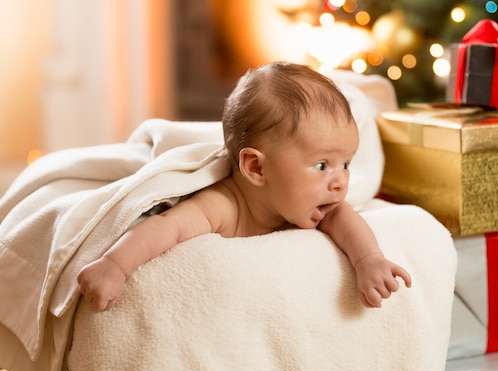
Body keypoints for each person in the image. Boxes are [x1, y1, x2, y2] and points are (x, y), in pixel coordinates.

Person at [77, 61, 412, 312]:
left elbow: (347, 222)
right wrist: (115, 266)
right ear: (255, 167)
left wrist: (369, 261)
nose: (340, 182)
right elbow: (167, 227)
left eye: (346, 164)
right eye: (322, 165)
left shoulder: (318, 202)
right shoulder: (224, 205)